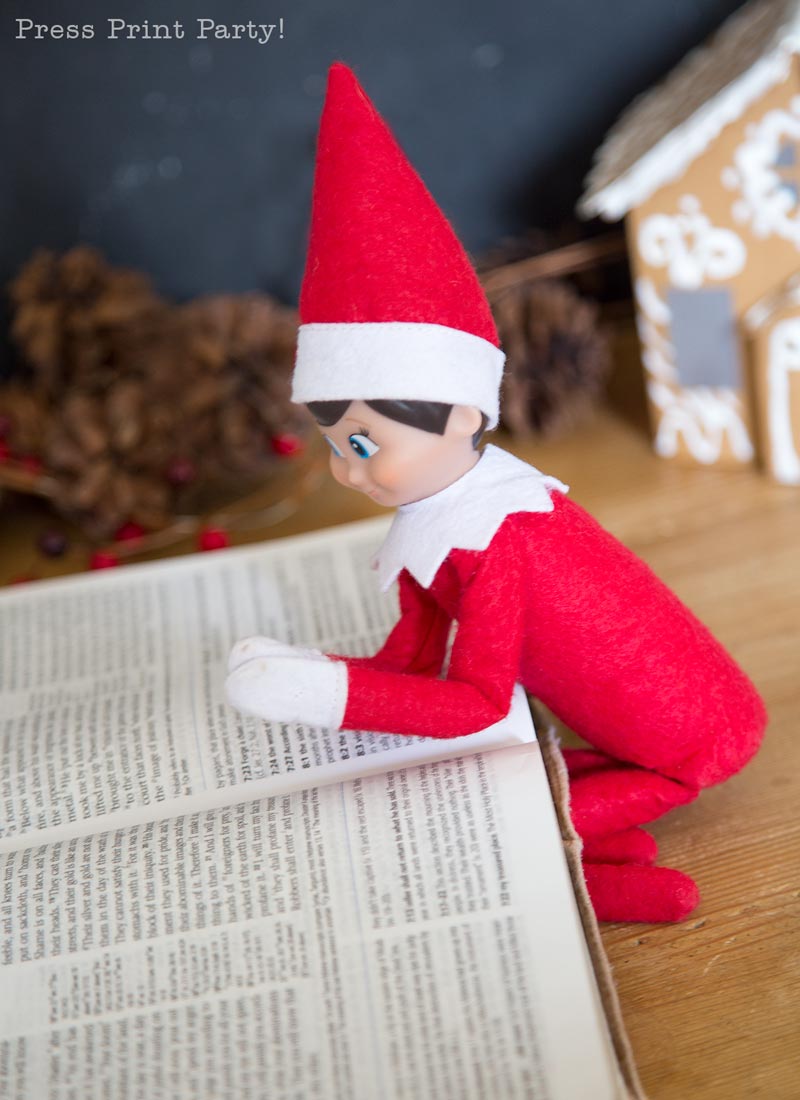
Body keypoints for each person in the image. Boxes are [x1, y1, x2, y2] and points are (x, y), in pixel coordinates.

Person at [225, 63, 766, 921]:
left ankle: (608, 875)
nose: (347, 471)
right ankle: (599, 851)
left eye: (364, 444)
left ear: (462, 411)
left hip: (684, 748)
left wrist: (327, 697)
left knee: (494, 829)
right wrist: (319, 676)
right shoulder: (434, 528)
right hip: (621, 737)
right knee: (503, 803)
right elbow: (413, 656)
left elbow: (476, 703)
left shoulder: (497, 536)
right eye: (335, 447)